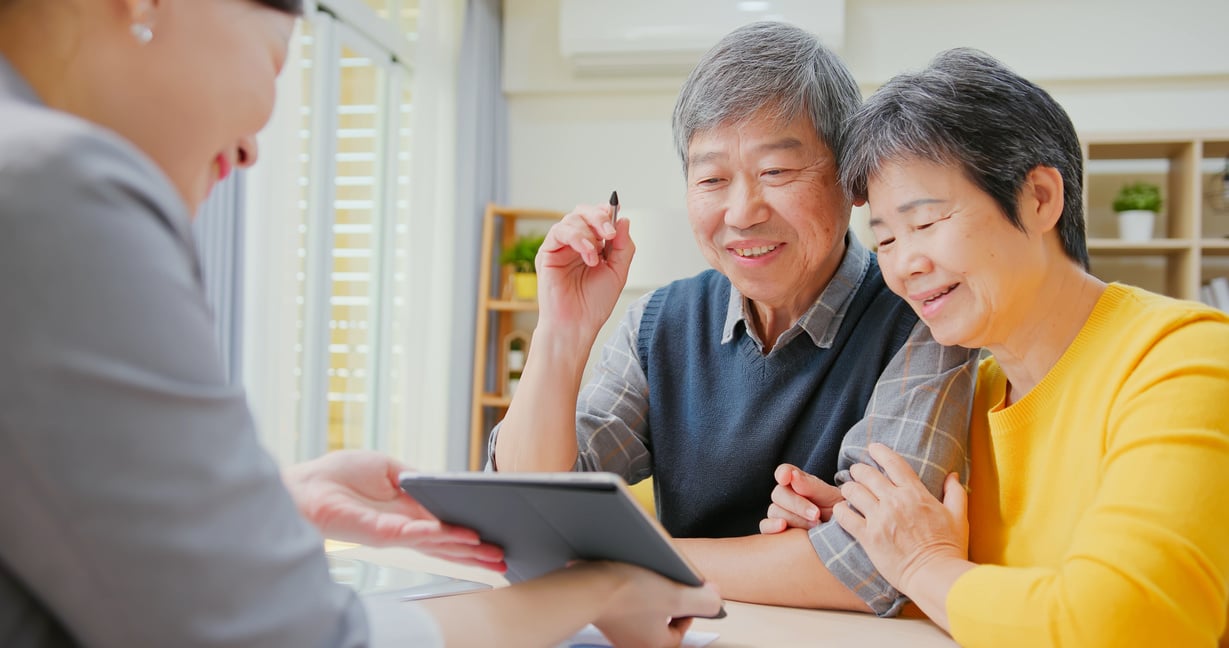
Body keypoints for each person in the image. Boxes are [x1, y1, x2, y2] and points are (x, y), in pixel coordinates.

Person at [0, 0, 722, 646]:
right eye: (276, 61)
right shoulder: (59, 185)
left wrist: (278, 499)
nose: (254, 146)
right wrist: (602, 586)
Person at [490, 20, 978, 616]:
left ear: (852, 179)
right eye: (712, 179)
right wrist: (560, 332)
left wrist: (629, 557)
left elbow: (872, 564)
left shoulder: (920, 318)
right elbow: (534, 502)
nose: (742, 212)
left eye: (776, 172)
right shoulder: (660, 324)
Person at [765, 48, 1229, 645]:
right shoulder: (970, 392)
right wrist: (871, 531)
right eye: (884, 239)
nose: (904, 265)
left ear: (1038, 198)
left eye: (926, 222)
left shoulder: (1184, 359)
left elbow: (1122, 625)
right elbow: (970, 611)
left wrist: (922, 565)